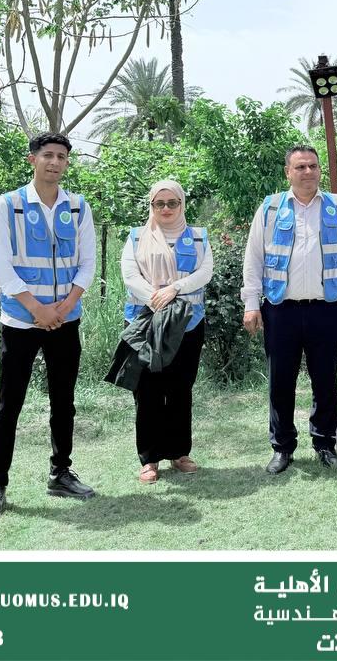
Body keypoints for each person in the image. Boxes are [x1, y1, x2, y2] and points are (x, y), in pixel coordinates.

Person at [0, 132, 97, 520]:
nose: (55, 162)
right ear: (32, 159)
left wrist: (64, 306)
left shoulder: (78, 207)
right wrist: (36, 309)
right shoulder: (8, 205)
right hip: (20, 320)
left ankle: (61, 472)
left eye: (62, 156)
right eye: (48, 155)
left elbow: (88, 263)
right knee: (9, 404)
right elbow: (2, 265)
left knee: (63, 401)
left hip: (65, 318)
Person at [242, 146, 337, 473]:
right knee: (280, 381)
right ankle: (282, 447)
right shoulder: (270, 209)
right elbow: (253, 259)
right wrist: (251, 304)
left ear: (319, 170)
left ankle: (325, 443)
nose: (307, 172)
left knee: (325, 379)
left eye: (312, 166)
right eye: (300, 167)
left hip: (326, 309)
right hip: (280, 310)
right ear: (288, 172)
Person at [109, 180, 214, 484]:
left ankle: (179, 453)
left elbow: (204, 272)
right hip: (145, 322)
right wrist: (155, 298)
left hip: (188, 324)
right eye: (159, 203)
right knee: (148, 390)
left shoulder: (197, 237)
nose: (166, 209)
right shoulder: (137, 237)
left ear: (182, 204)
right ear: (151, 206)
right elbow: (129, 275)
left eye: (172, 203)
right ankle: (150, 458)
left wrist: (174, 289)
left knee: (181, 388)